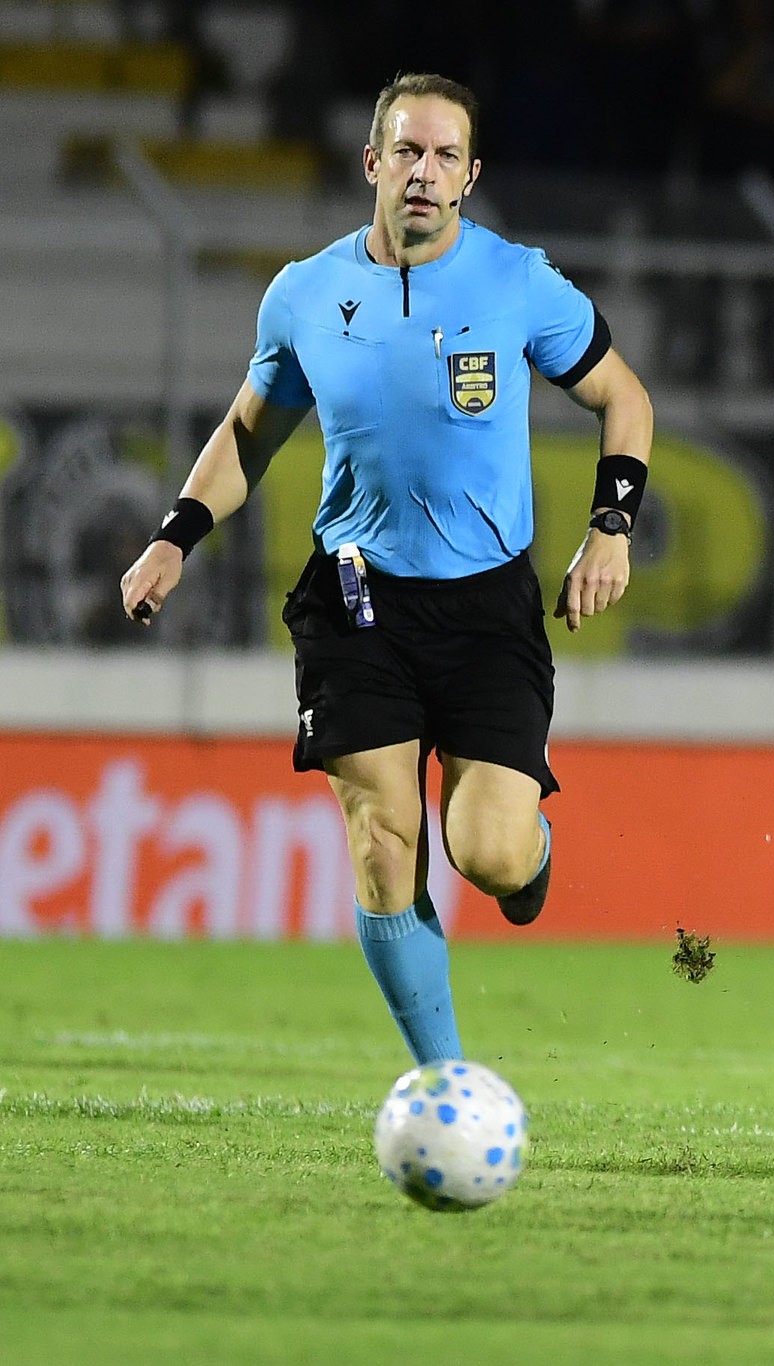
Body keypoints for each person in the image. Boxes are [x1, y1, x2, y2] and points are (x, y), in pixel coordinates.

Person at [118, 72, 654, 1066]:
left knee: (483, 852)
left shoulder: (516, 281)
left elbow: (624, 399)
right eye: (406, 151)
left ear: (470, 176)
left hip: (487, 604)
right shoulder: (306, 294)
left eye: (445, 156)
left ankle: (526, 857)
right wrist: (173, 534)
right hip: (356, 594)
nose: (423, 172)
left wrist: (611, 526)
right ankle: (444, 1082)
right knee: (382, 839)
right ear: (372, 163)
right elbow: (249, 433)